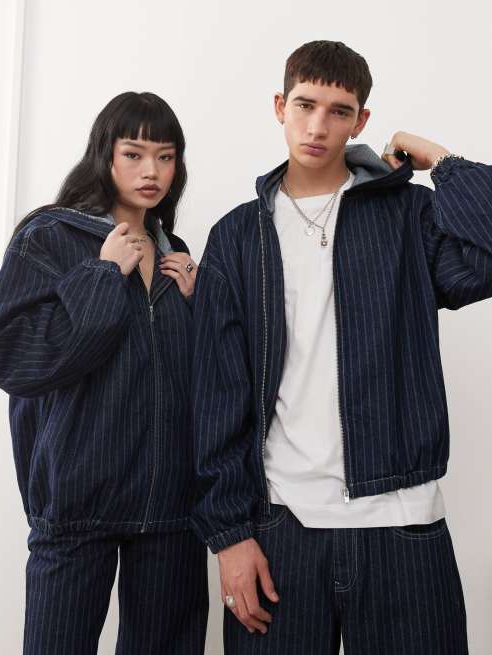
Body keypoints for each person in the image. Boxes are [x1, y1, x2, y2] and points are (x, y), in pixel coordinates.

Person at [191, 40, 491, 654]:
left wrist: (440, 161)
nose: (318, 126)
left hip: (403, 526)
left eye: (339, 111)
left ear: (361, 121)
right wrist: (229, 536)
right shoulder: (237, 237)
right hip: (280, 528)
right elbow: (217, 396)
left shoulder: (409, 216)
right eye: (305, 105)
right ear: (280, 106)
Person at [0, 91, 208, 654]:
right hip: (76, 508)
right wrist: (103, 275)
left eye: (165, 157)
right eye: (134, 154)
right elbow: (14, 359)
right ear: (104, 156)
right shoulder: (50, 237)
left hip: (171, 510)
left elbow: (194, 383)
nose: (151, 171)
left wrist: (198, 308)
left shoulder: (176, 254)